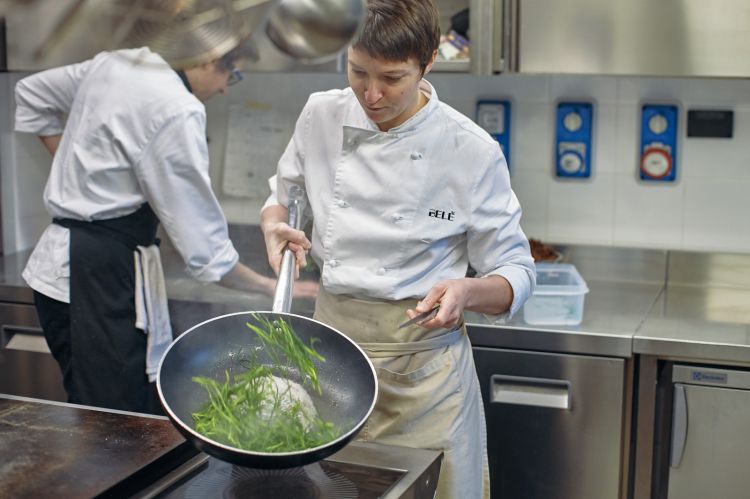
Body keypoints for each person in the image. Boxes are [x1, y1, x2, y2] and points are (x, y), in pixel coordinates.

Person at [259, 0, 535, 497]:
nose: (371, 93)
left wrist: (467, 291)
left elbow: (516, 271)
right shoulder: (321, 114)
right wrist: (275, 226)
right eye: (357, 71)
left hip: (423, 379)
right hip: (330, 365)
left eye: (392, 78)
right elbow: (284, 199)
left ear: (428, 62)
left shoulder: (469, 149)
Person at [14, 41, 318, 415]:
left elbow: (30, 93)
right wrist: (270, 286)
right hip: (96, 278)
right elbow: (207, 255)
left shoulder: (118, 62)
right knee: (112, 425)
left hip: (60, 272)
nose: (225, 87)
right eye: (230, 74)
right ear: (207, 58)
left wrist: (81, 175)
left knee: (98, 419)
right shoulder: (177, 108)